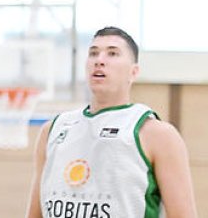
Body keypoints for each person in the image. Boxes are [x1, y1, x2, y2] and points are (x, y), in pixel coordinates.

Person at [27, 27, 198, 218]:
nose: (99, 60)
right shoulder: (53, 129)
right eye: (93, 53)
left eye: (112, 53)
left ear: (133, 72)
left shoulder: (157, 134)